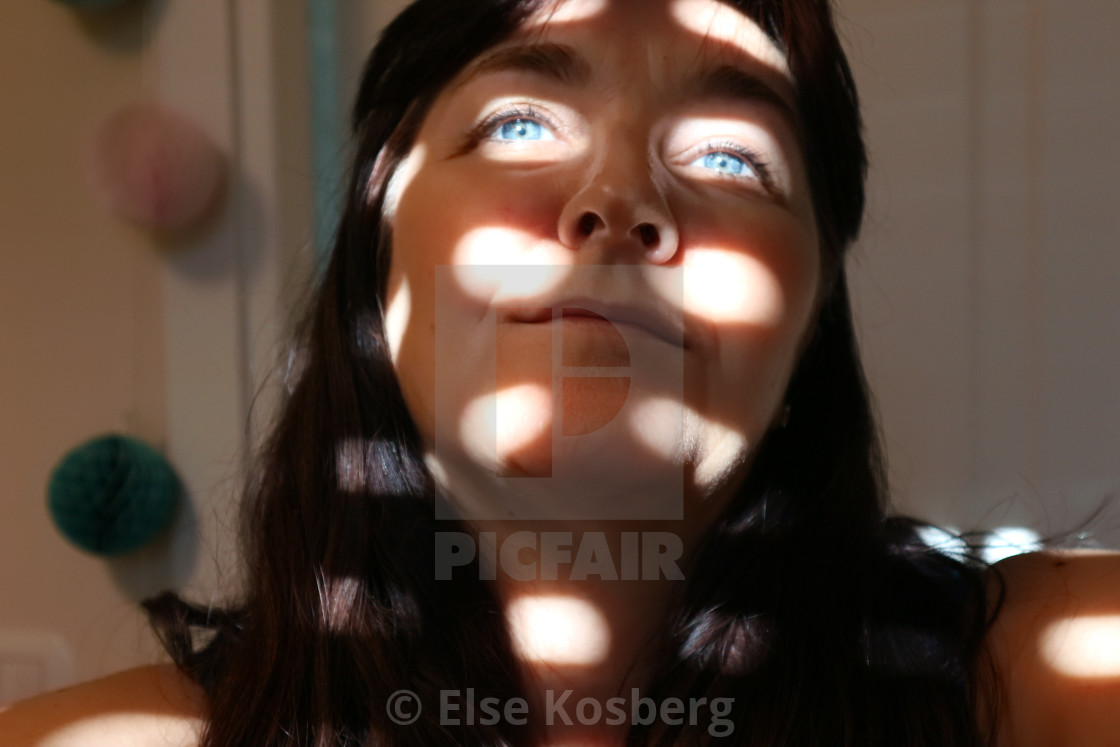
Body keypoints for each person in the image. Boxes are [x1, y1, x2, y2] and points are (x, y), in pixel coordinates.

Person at [3, 0, 1119, 744]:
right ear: (377, 253)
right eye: (519, 121)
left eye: (733, 156)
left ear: (809, 323)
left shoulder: (1036, 680)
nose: (618, 203)